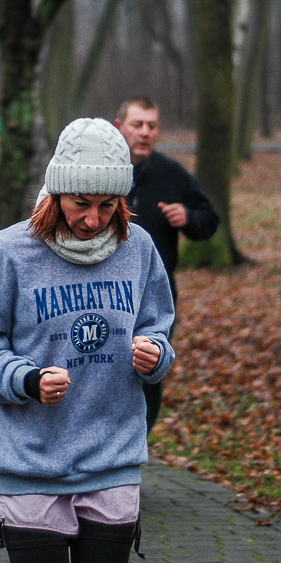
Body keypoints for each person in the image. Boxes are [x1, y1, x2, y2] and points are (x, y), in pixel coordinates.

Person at [0, 117, 176, 563]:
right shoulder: (9, 252)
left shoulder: (138, 248)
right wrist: (27, 380)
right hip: (32, 461)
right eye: (80, 203)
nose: (93, 219)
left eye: (106, 206)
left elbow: (158, 327)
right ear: (55, 193)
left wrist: (156, 355)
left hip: (113, 458)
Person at [114, 96, 219, 434]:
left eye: (152, 126)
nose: (145, 133)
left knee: (149, 372)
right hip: (107, 291)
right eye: (137, 125)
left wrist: (188, 217)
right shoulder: (101, 172)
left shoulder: (172, 174)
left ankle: (134, 448)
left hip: (156, 296)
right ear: (120, 127)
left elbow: (210, 220)